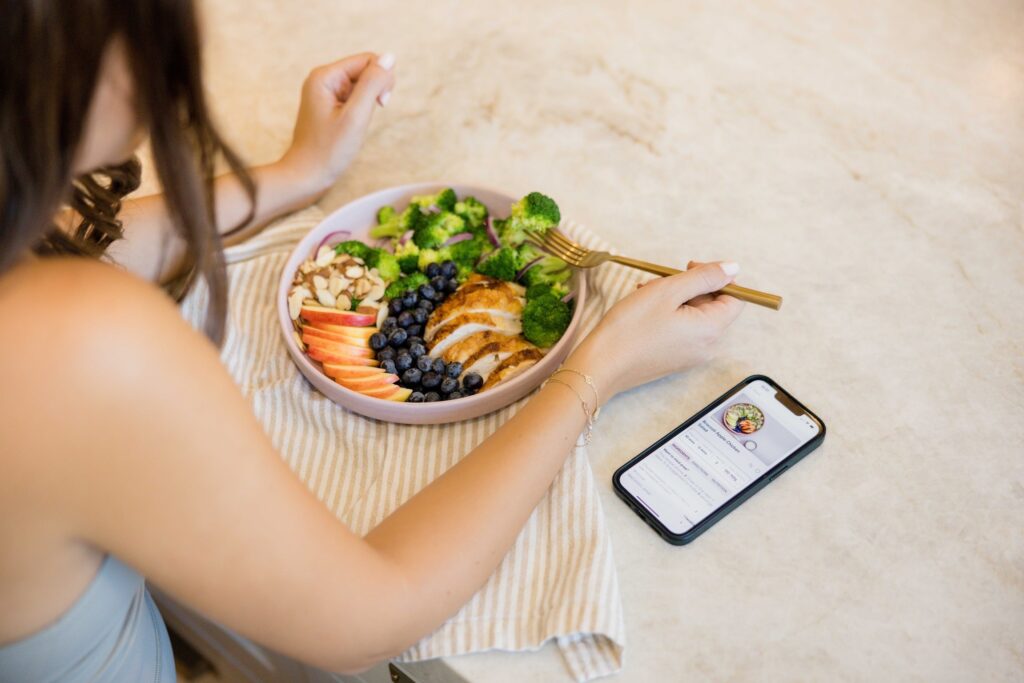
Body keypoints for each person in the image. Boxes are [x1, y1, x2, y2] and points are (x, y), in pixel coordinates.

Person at [0, 1, 744, 680]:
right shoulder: (81, 345)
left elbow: (69, 241)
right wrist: (599, 367)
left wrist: (297, 174)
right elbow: (372, 616)